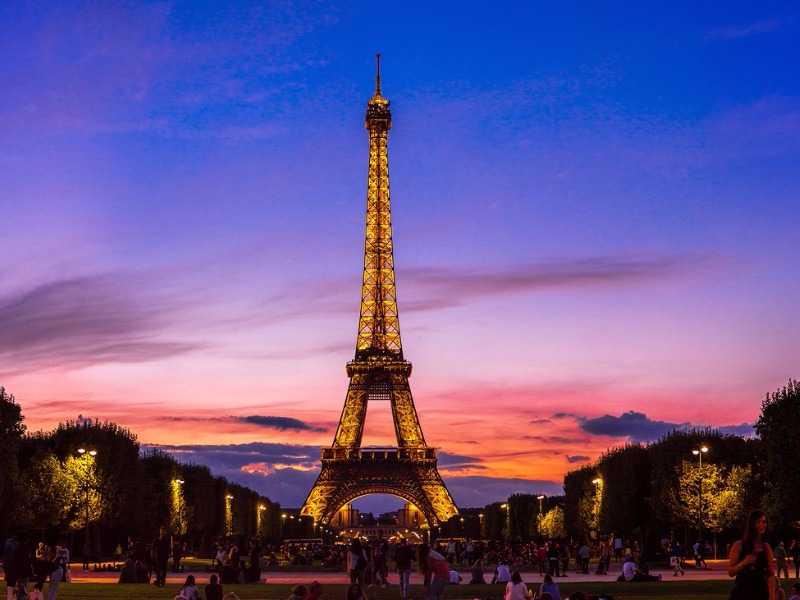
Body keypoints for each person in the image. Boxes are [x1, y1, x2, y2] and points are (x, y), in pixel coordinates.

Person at [728, 508, 776, 600]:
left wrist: (772, 596)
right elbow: (731, 572)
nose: (762, 525)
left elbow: (771, 574)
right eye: (758, 522)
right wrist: (744, 562)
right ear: (752, 524)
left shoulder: (766, 548)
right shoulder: (739, 545)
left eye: (764, 522)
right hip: (742, 591)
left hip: (760, 591)